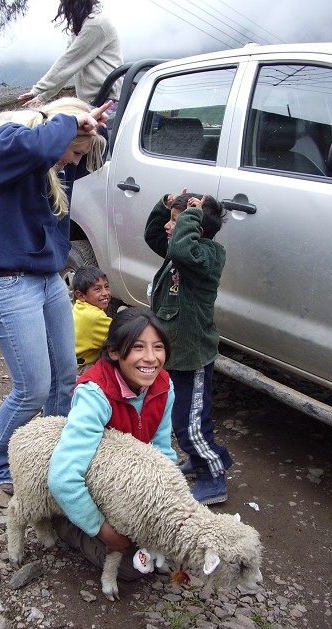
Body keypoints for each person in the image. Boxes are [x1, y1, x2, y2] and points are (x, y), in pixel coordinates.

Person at [0, 96, 109, 494]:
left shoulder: (55, 162)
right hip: (6, 282)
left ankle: (55, 456)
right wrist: (71, 121)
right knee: (33, 388)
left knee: (65, 377)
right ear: (56, 125)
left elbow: (96, 154)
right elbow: (43, 145)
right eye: (74, 152)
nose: (74, 163)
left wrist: (92, 127)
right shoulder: (6, 143)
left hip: (47, 280)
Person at [48, 307, 176, 577]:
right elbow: (64, 476)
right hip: (97, 489)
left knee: (164, 544)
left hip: (127, 490)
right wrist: (102, 529)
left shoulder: (163, 386)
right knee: (131, 568)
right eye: (138, 347)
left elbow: (163, 453)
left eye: (158, 347)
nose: (151, 358)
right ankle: (66, 525)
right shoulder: (95, 395)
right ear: (114, 351)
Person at [144, 189, 233, 506]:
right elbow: (154, 236)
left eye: (175, 222)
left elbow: (181, 250)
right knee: (180, 418)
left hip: (192, 355)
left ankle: (213, 476)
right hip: (177, 354)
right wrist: (164, 205)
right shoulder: (181, 250)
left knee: (191, 423)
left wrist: (191, 216)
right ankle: (199, 461)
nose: (169, 227)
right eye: (170, 220)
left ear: (196, 230)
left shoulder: (206, 256)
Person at [18, 0, 123, 107]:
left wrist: (38, 89)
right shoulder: (83, 25)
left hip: (107, 99)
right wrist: (43, 96)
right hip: (93, 100)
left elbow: (68, 62)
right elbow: (67, 68)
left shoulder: (96, 24)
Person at [72, 265, 112, 375]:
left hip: (72, 362)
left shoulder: (79, 306)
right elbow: (121, 335)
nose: (105, 293)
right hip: (82, 368)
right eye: (97, 289)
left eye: (107, 287)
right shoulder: (95, 317)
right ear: (80, 295)